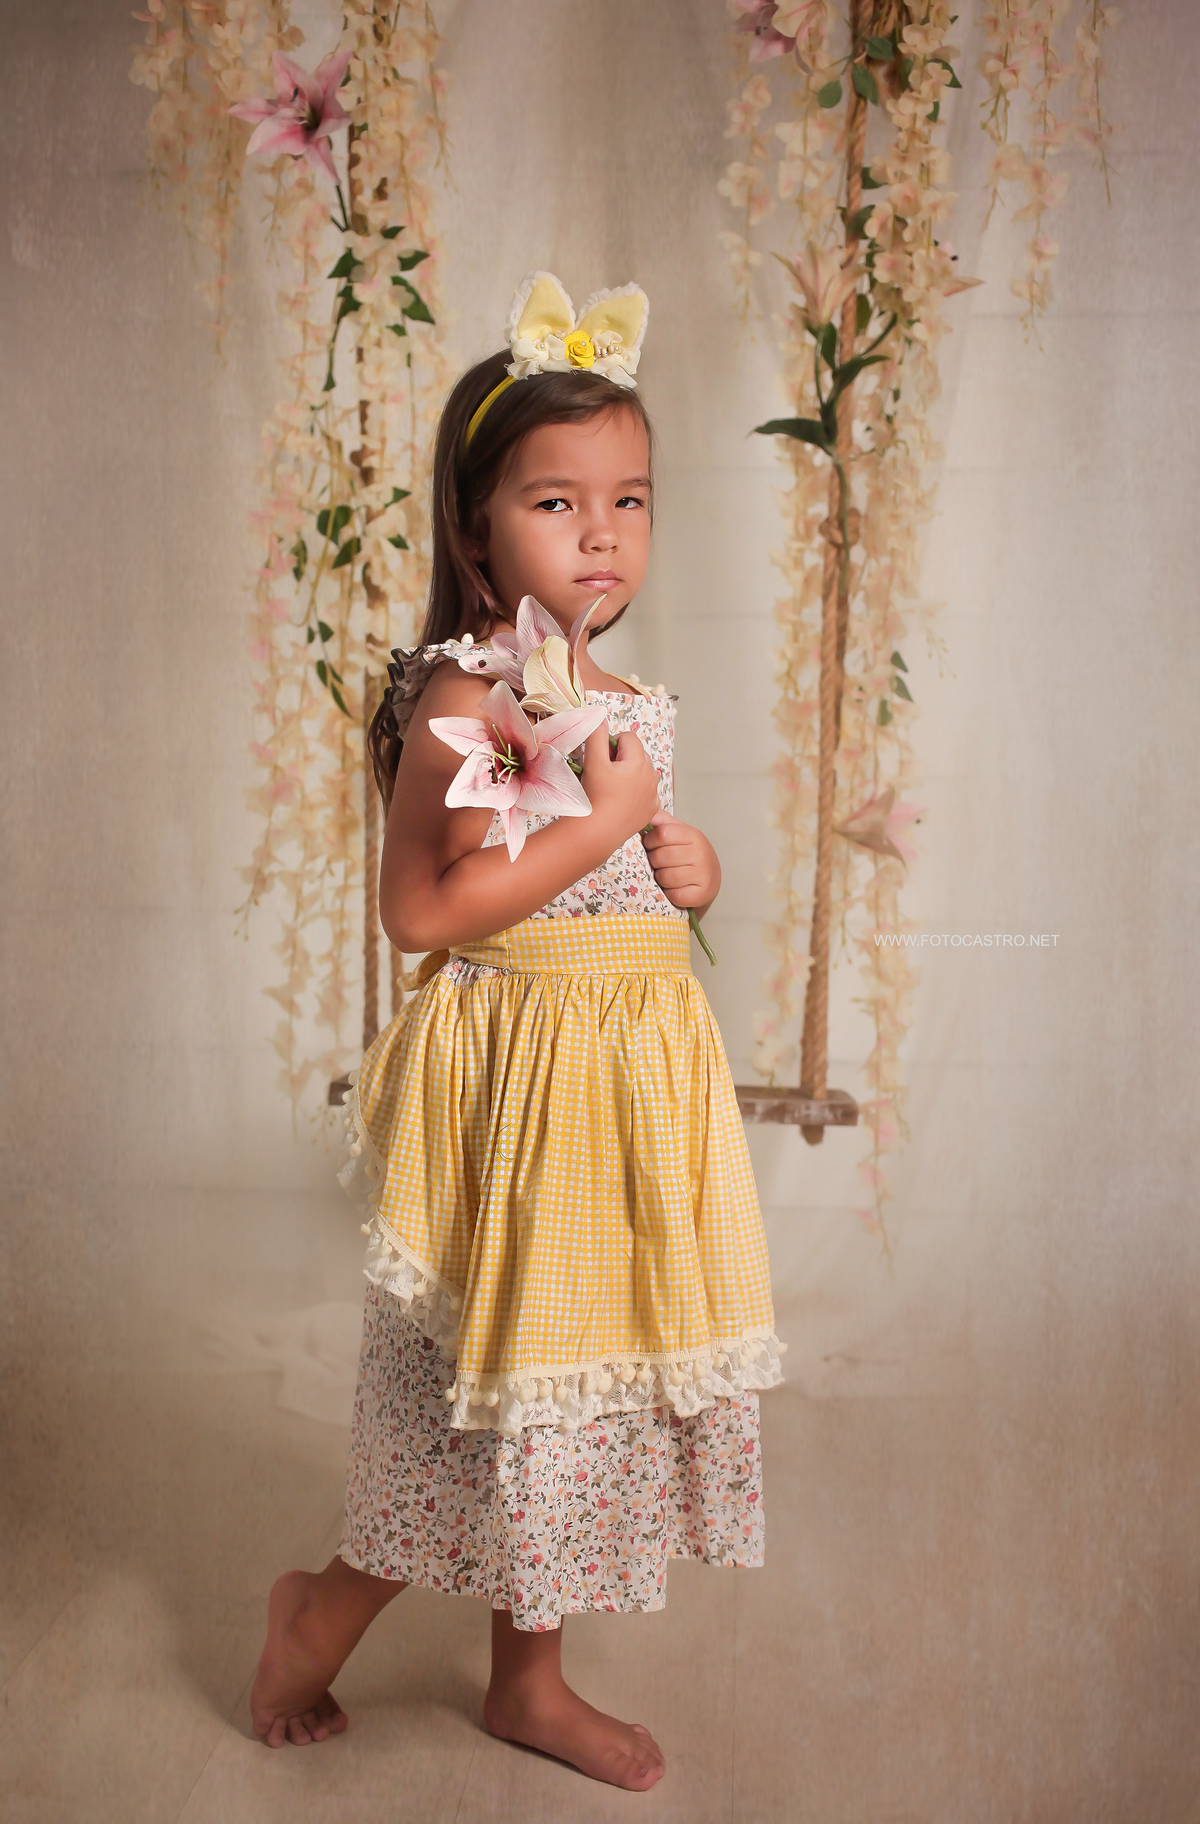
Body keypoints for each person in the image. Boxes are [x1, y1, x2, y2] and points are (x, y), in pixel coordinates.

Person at [249, 272, 783, 1793]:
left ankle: (527, 1682)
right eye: (558, 501)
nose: (602, 533)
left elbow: (623, 867)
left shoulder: (620, 696)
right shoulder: (468, 696)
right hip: (517, 1097)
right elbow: (426, 910)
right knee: (467, 1411)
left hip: (620, 1094)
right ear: (477, 527)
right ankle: (313, 1622)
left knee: (565, 1410)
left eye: (630, 500)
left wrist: (685, 866)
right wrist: (603, 825)